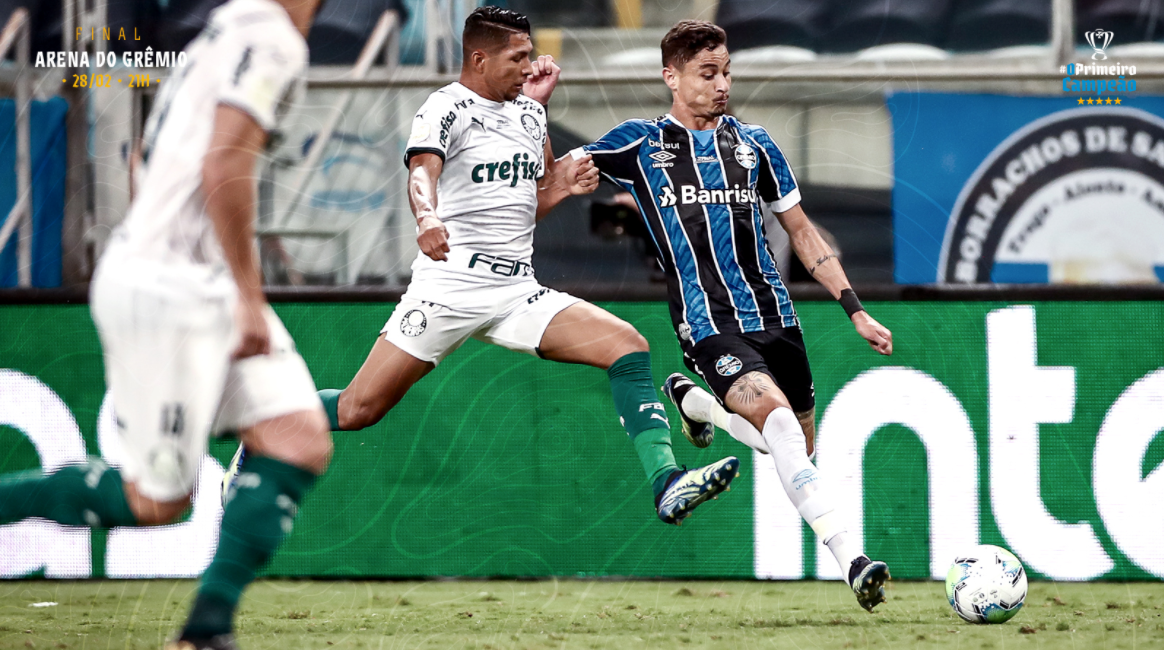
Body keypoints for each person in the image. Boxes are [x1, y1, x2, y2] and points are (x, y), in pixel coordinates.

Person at [250, 6, 739, 526]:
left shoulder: (529, 113)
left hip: (516, 290)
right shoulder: (445, 107)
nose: (530, 66)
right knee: (358, 409)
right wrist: (427, 216)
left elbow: (532, 197)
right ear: (480, 59)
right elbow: (421, 173)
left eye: (530, 54)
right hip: (450, 284)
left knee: (628, 346)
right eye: (518, 57)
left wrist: (563, 184)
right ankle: (266, 424)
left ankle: (666, 481)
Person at [0, 1, 331, 647]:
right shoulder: (271, 40)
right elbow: (224, 163)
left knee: (297, 438)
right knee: (154, 500)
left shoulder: (228, 25)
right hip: (173, 288)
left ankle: (206, 631)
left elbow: (148, 157)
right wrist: (248, 293)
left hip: (188, 275)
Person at [578, 20, 895, 611]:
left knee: (795, 446)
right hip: (708, 324)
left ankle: (699, 407)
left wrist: (854, 308)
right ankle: (853, 561)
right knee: (780, 429)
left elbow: (802, 231)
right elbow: (557, 173)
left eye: (726, 72)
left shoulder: (755, 146)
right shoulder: (639, 144)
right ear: (671, 77)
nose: (722, 84)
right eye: (708, 73)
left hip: (776, 316)